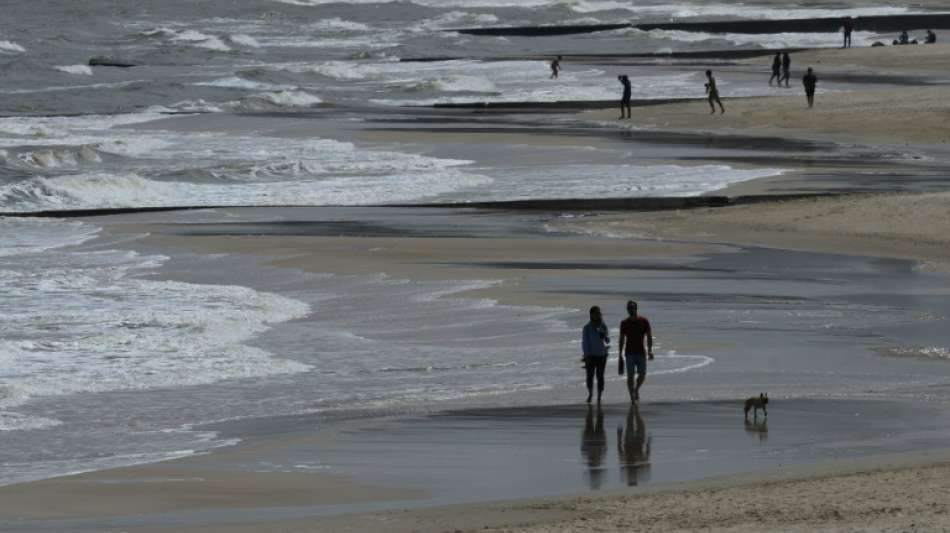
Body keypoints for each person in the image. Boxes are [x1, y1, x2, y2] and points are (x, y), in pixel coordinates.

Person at [618, 300, 653, 403]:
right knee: (630, 376)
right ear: (627, 310)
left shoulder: (644, 321)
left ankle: (636, 389)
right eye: (629, 308)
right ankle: (632, 397)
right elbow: (621, 339)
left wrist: (650, 350)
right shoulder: (624, 323)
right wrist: (620, 354)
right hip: (629, 353)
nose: (631, 309)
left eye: (632, 307)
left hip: (641, 352)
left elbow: (649, 336)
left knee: (642, 375)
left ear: (636, 308)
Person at [581, 305, 610, 404]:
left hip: (602, 355)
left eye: (599, 313)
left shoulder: (603, 325)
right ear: (591, 315)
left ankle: (599, 396)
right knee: (589, 377)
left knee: (600, 376)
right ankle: (590, 393)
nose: (599, 315)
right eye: (597, 313)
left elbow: (608, 340)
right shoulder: (587, 328)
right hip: (591, 356)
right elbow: (585, 343)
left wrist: (604, 336)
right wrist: (586, 356)